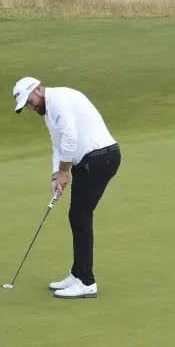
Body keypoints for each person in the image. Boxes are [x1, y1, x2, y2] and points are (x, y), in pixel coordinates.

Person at [12, 77, 121, 299]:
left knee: (80, 216)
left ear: (38, 89)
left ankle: (87, 283)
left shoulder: (59, 99)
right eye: (26, 106)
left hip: (101, 157)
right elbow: (58, 144)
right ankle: (77, 274)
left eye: (30, 101)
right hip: (88, 161)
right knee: (77, 216)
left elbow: (70, 136)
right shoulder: (50, 112)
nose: (30, 107)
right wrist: (56, 175)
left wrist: (64, 171)